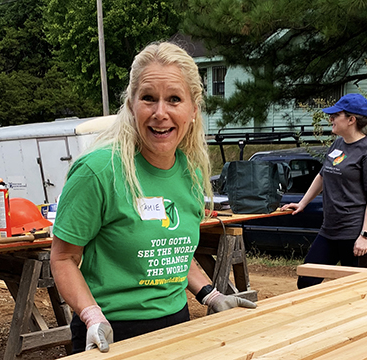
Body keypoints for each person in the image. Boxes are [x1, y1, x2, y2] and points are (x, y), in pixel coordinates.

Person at [50, 42, 256, 354]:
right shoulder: (98, 171)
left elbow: (171, 252)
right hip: (110, 332)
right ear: (132, 105)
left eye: (174, 99)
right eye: (148, 98)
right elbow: (63, 258)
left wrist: (211, 295)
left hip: (177, 326)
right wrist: (92, 316)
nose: (161, 113)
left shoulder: (189, 171)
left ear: (193, 109)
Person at [281, 93, 367, 289]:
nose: (330, 119)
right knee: (306, 281)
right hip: (330, 230)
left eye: (335, 115)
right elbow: (322, 175)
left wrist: (364, 235)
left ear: (351, 120)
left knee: (356, 289)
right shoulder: (338, 144)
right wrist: (303, 203)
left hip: (356, 232)